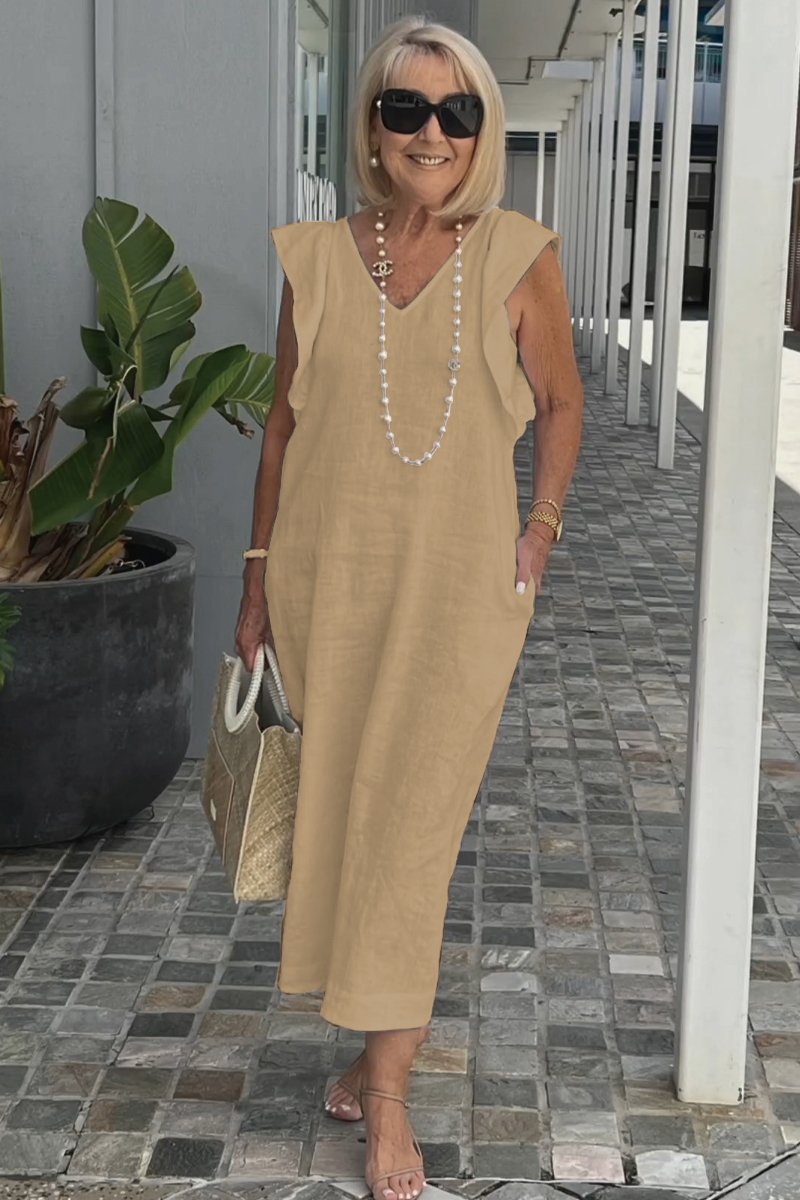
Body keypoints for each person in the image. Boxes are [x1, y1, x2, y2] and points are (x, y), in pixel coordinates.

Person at [235, 16, 583, 1200]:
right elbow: (280, 427)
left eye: (456, 112)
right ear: (372, 128)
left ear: (480, 131)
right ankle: (371, 1048)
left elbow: (562, 403)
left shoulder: (518, 254)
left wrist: (537, 530)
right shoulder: (316, 258)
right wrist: (253, 578)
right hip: (323, 584)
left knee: (412, 829)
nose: (430, 133)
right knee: (345, 817)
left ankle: (385, 1093)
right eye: (405, 109)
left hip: (456, 597)